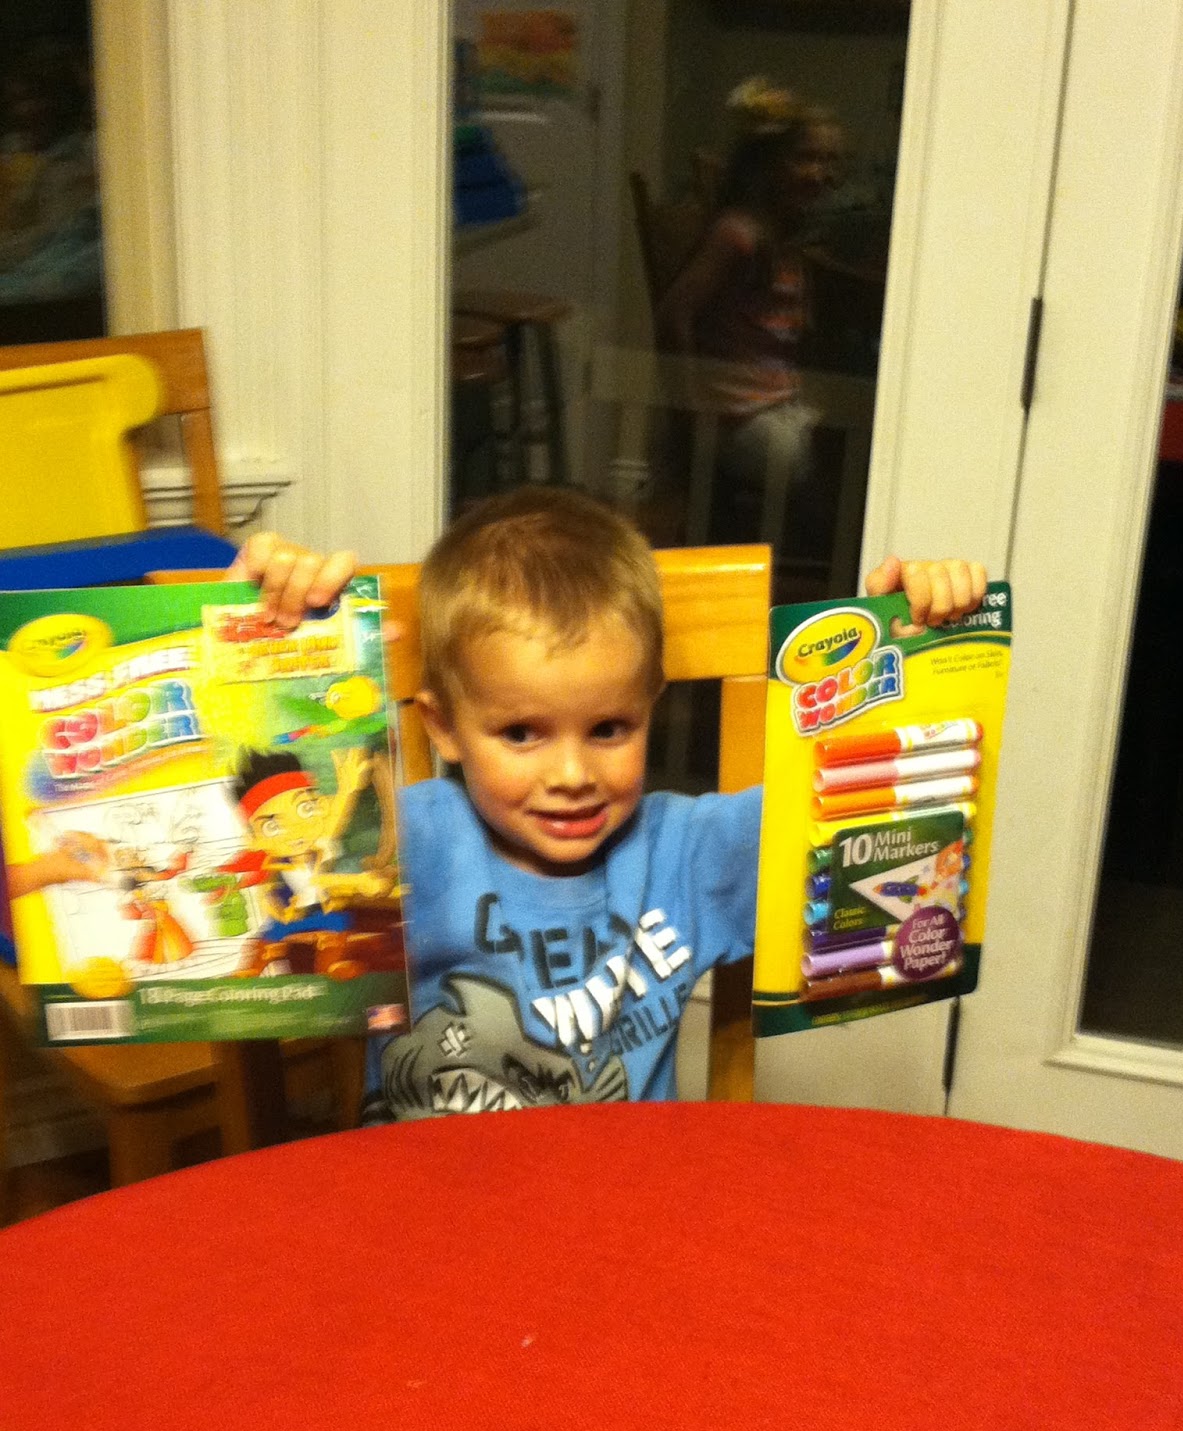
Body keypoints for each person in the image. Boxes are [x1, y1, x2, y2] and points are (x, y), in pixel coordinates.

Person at [224, 489, 985, 1122]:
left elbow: (860, 817)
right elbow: (237, 882)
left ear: (650, 709)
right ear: (444, 728)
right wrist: (248, 623)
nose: (572, 774)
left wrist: (910, 648)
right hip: (425, 1215)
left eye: (610, 729)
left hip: (623, 1213)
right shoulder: (406, 843)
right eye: (521, 733)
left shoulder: (687, 850)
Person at [657, 78, 846, 535]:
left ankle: (802, 544)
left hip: (776, 406)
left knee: (852, 430)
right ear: (766, 165)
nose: (819, 174)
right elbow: (674, 314)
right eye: (805, 158)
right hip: (737, 419)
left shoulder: (784, 237)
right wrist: (692, 409)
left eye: (829, 162)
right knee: (837, 456)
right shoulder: (739, 234)